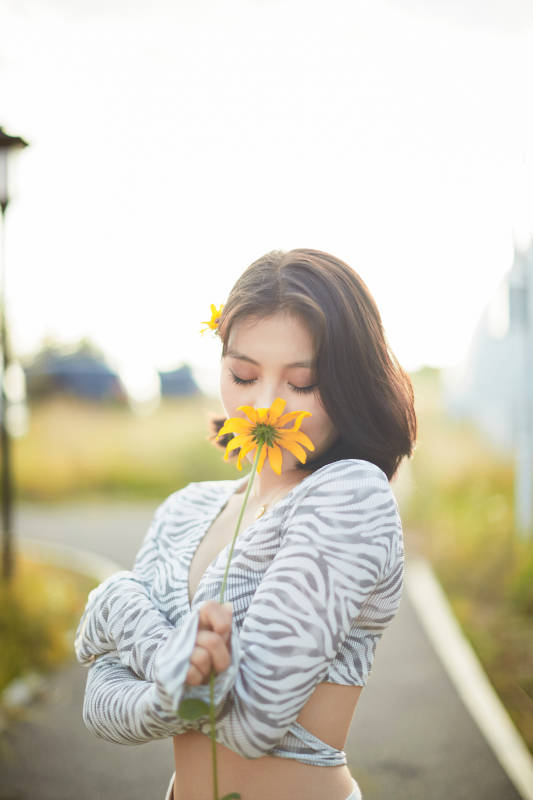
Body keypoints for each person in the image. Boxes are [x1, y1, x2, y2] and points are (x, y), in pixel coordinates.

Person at [74, 248, 417, 800]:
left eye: (302, 383)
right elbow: (100, 707)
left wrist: (118, 606)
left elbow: (255, 717)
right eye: (243, 374)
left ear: (353, 384)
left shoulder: (351, 494)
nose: (264, 406)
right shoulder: (185, 509)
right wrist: (170, 688)